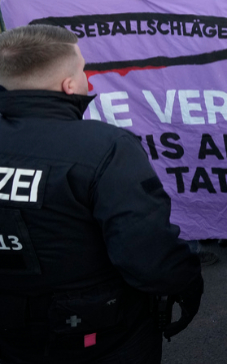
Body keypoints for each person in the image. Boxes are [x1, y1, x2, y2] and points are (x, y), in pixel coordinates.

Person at [0, 25, 203, 363]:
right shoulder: (106, 147)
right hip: (101, 336)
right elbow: (149, 257)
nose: (88, 81)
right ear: (68, 85)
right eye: (82, 70)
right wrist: (187, 280)